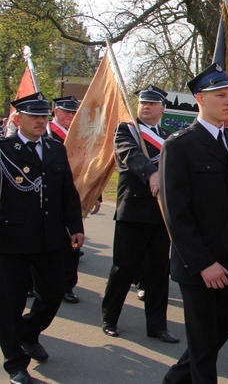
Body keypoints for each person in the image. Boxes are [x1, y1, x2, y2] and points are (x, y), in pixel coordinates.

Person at [160, 63, 228, 383]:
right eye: (221, 96)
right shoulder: (178, 146)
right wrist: (204, 264)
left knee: (218, 336)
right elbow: (176, 213)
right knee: (204, 347)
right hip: (199, 267)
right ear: (200, 99)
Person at [0, 93, 84, 384]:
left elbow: (67, 192)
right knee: (10, 304)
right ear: (18, 118)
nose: (40, 121)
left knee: (52, 293)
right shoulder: (4, 150)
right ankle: (15, 364)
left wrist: (76, 225)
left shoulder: (54, 149)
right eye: (33, 116)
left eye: (43, 116)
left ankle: (28, 333)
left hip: (50, 238)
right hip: (12, 240)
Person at [100, 85, 178, 343]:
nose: (146, 106)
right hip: (133, 210)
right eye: (143, 102)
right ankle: (109, 318)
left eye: (152, 103)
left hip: (160, 212)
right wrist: (151, 173)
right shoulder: (127, 131)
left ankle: (157, 325)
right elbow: (129, 155)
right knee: (124, 267)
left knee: (158, 271)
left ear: (162, 109)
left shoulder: (169, 136)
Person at [47, 95, 98, 304]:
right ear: (55, 112)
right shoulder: (47, 134)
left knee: (73, 243)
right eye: (66, 112)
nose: (70, 116)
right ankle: (33, 283)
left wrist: (96, 194)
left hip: (74, 196)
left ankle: (67, 286)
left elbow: (91, 166)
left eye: (73, 112)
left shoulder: (81, 136)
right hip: (48, 196)